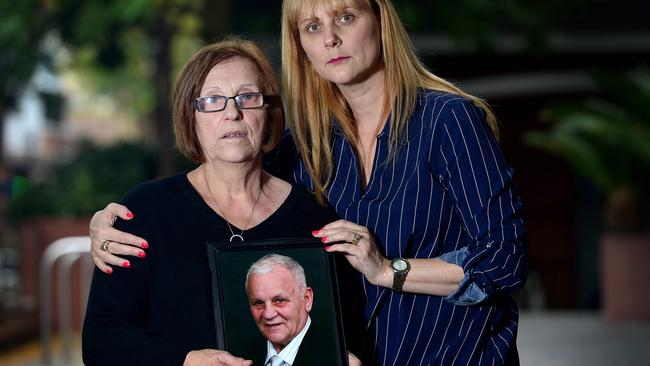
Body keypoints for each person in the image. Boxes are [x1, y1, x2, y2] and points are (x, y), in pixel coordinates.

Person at [89, 0, 528, 365]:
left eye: (345, 17)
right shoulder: (306, 147)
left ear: (380, 21)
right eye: (312, 26)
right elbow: (228, 177)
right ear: (300, 46)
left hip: (455, 353)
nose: (330, 39)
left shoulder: (447, 121)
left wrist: (387, 269)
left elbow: (506, 261)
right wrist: (107, 223)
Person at [81, 38, 346, 366]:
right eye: (212, 101)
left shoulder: (313, 217)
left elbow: (341, 333)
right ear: (189, 116)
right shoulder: (146, 211)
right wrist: (185, 360)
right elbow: (101, 341)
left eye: (247, 97)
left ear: (269, 111)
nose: (232, 113)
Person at [245, 254, 342, 366]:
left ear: (307, 299)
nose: (268, 314)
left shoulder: (338, 357)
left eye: (279, 300)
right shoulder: (239, 356)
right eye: (258, 303)